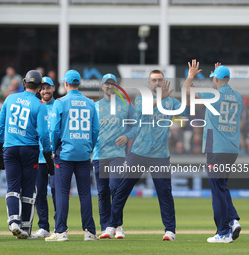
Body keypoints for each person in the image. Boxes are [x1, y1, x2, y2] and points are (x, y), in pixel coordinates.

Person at [103, 68, 192, 241]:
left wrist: (189, 79)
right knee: (122, 191)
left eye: (160, 80)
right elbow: (143, 111)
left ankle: (170, 231)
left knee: (164, 193)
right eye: (154, 80)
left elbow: (185, 112)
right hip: (138, 153)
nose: (157, 83)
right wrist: (162, 98)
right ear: (149, 83)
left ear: (164, 81)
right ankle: (111, 226)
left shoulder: (171, 102)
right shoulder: (140, 98)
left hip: (160, 155)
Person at [0, 70, 53, 239]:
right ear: (40, 87)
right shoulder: (39, 105)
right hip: (29, 150)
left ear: (24, 83)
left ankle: (13, 221)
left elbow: (1, 125)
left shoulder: (10, 98)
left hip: (10, 149)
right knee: (27, 189)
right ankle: (25, 228)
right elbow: (43, 134)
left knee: (12, 187)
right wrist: (48, 157)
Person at [190, 62, 243, 243]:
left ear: (215, 79)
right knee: (222, 187)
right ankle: (232, 220)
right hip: (232, 149)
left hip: (216, 148)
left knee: (216, 191)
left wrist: (190, 76)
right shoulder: (238, 97)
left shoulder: (213, 95)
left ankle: (223, 233)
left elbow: (186, 91)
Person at [45, 70, 99, 242]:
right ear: (79, 84)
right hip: (83, 152)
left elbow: (53, 129)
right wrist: (89, 146)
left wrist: (53, 148)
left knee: (62, 192)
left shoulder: (60, 102)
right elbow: (95, 129)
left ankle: (61, 231)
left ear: (66, 84)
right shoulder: (90, 103)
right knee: (85, 193)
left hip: (65, 153)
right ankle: (90, 231)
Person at [92, 73, 136, 239]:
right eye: (107, 84)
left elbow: (136, 125)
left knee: (115, 188)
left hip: (118, 154)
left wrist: (127, 136)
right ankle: (106, 228)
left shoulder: (125, 105)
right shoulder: (95, 107)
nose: (110, 87)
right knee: (102, 192)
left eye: (113, 84)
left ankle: (117, 225)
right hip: (99, 155)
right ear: (102, 86)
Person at [32, 76, 56, 238]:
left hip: (57, 156)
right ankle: (44, 227)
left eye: (48, 88)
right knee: (40, 192)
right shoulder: (35, 106)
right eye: (43, 88)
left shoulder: (59, 105)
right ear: (39, 90)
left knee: (57, 192)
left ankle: (60, 225)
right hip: (39, 157)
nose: (45, 91)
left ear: (53, 88)